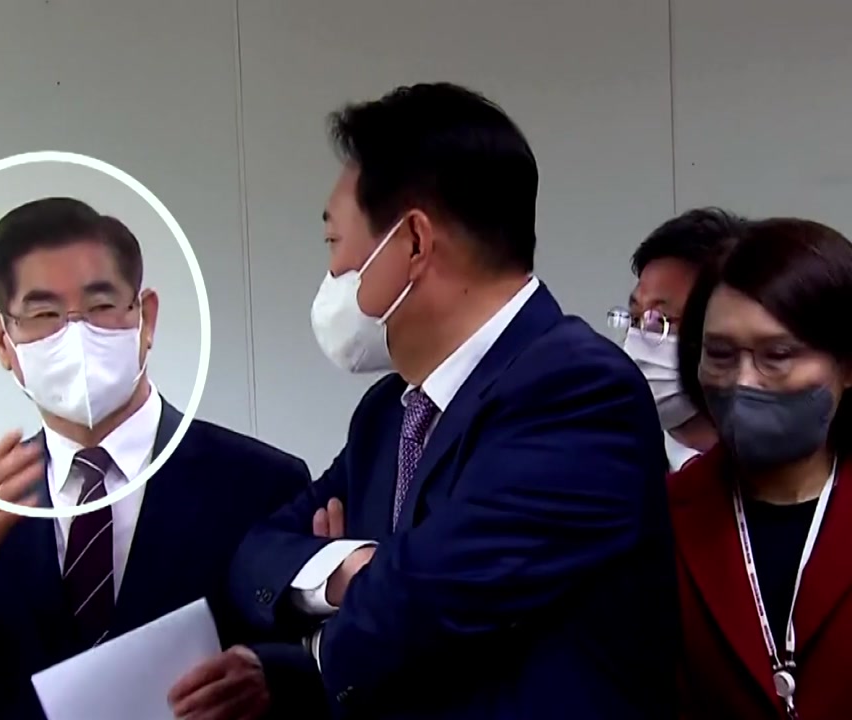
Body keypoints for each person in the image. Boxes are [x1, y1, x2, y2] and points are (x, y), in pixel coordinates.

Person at [227, 83, 678, 719]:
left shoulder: (577, 390)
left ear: (413, 242)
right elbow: (256, 554)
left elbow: (421, 603)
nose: (331, 273)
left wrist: (343, 611)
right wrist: (348, 569)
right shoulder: (390, 411)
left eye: (334, 243)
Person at [0, 197, 312, 720]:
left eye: (101, 306)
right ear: (2, 340)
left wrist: (272, 676)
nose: (76, 335)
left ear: (145, 317)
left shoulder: (259, 482)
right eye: (44, 314)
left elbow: (328, 662)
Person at [667, 217, 852, 720]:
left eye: (777, 355)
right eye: (720, 354)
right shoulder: (661, 516)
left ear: (848, 364)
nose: (743, 381)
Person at [616, 208, 744, 470]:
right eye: (635, 318)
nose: (636, 342)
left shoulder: (792, 471)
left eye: (660, 320)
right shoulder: (611, 463)